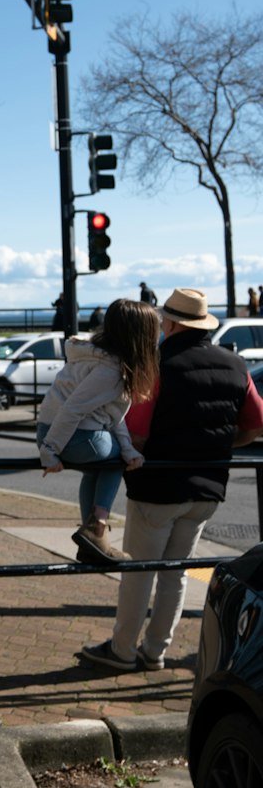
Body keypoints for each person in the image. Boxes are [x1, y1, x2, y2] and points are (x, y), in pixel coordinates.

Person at [82, 287, 263, 672]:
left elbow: (139, 432)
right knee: (175, 574)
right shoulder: (236, 366)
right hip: (208, 486)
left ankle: (123, 650)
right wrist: (218, 443)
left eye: (165, 319)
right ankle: (155, 652)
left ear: (173, 322)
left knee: (138, 572)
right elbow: (255, 424)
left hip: (158, 487)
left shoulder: (157, 363)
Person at [35, 299, 160, 562]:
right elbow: (73, 409)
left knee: (98, 467)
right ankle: (97, 530)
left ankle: (91, 540)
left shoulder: (96, 356)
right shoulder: (110, 370)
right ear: (141, 335)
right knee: (114, 460)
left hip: (59, 430)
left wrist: (127, 447)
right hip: (73, 435)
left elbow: (111, 414)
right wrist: (49, 451)